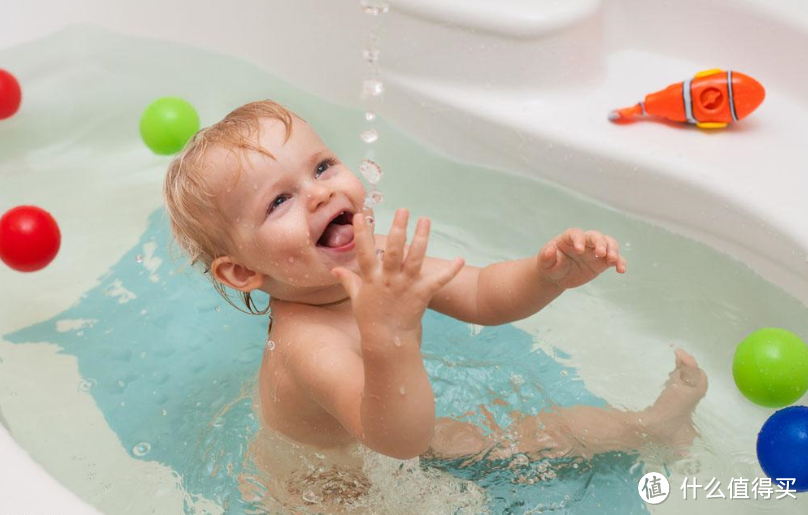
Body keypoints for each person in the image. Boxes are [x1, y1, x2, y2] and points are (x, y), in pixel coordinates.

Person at [163, 100, 707, 508]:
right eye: (279, 201)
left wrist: (547, 275)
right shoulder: (308, 345)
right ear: (242, 271)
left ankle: (654, 425)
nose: (320, 193)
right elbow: (395, 439)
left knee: (522, 440)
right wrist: (390, 337)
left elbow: (481, 293)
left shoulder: (381, 266)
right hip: (323, 493)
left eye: (323, 166)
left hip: (399, 436)